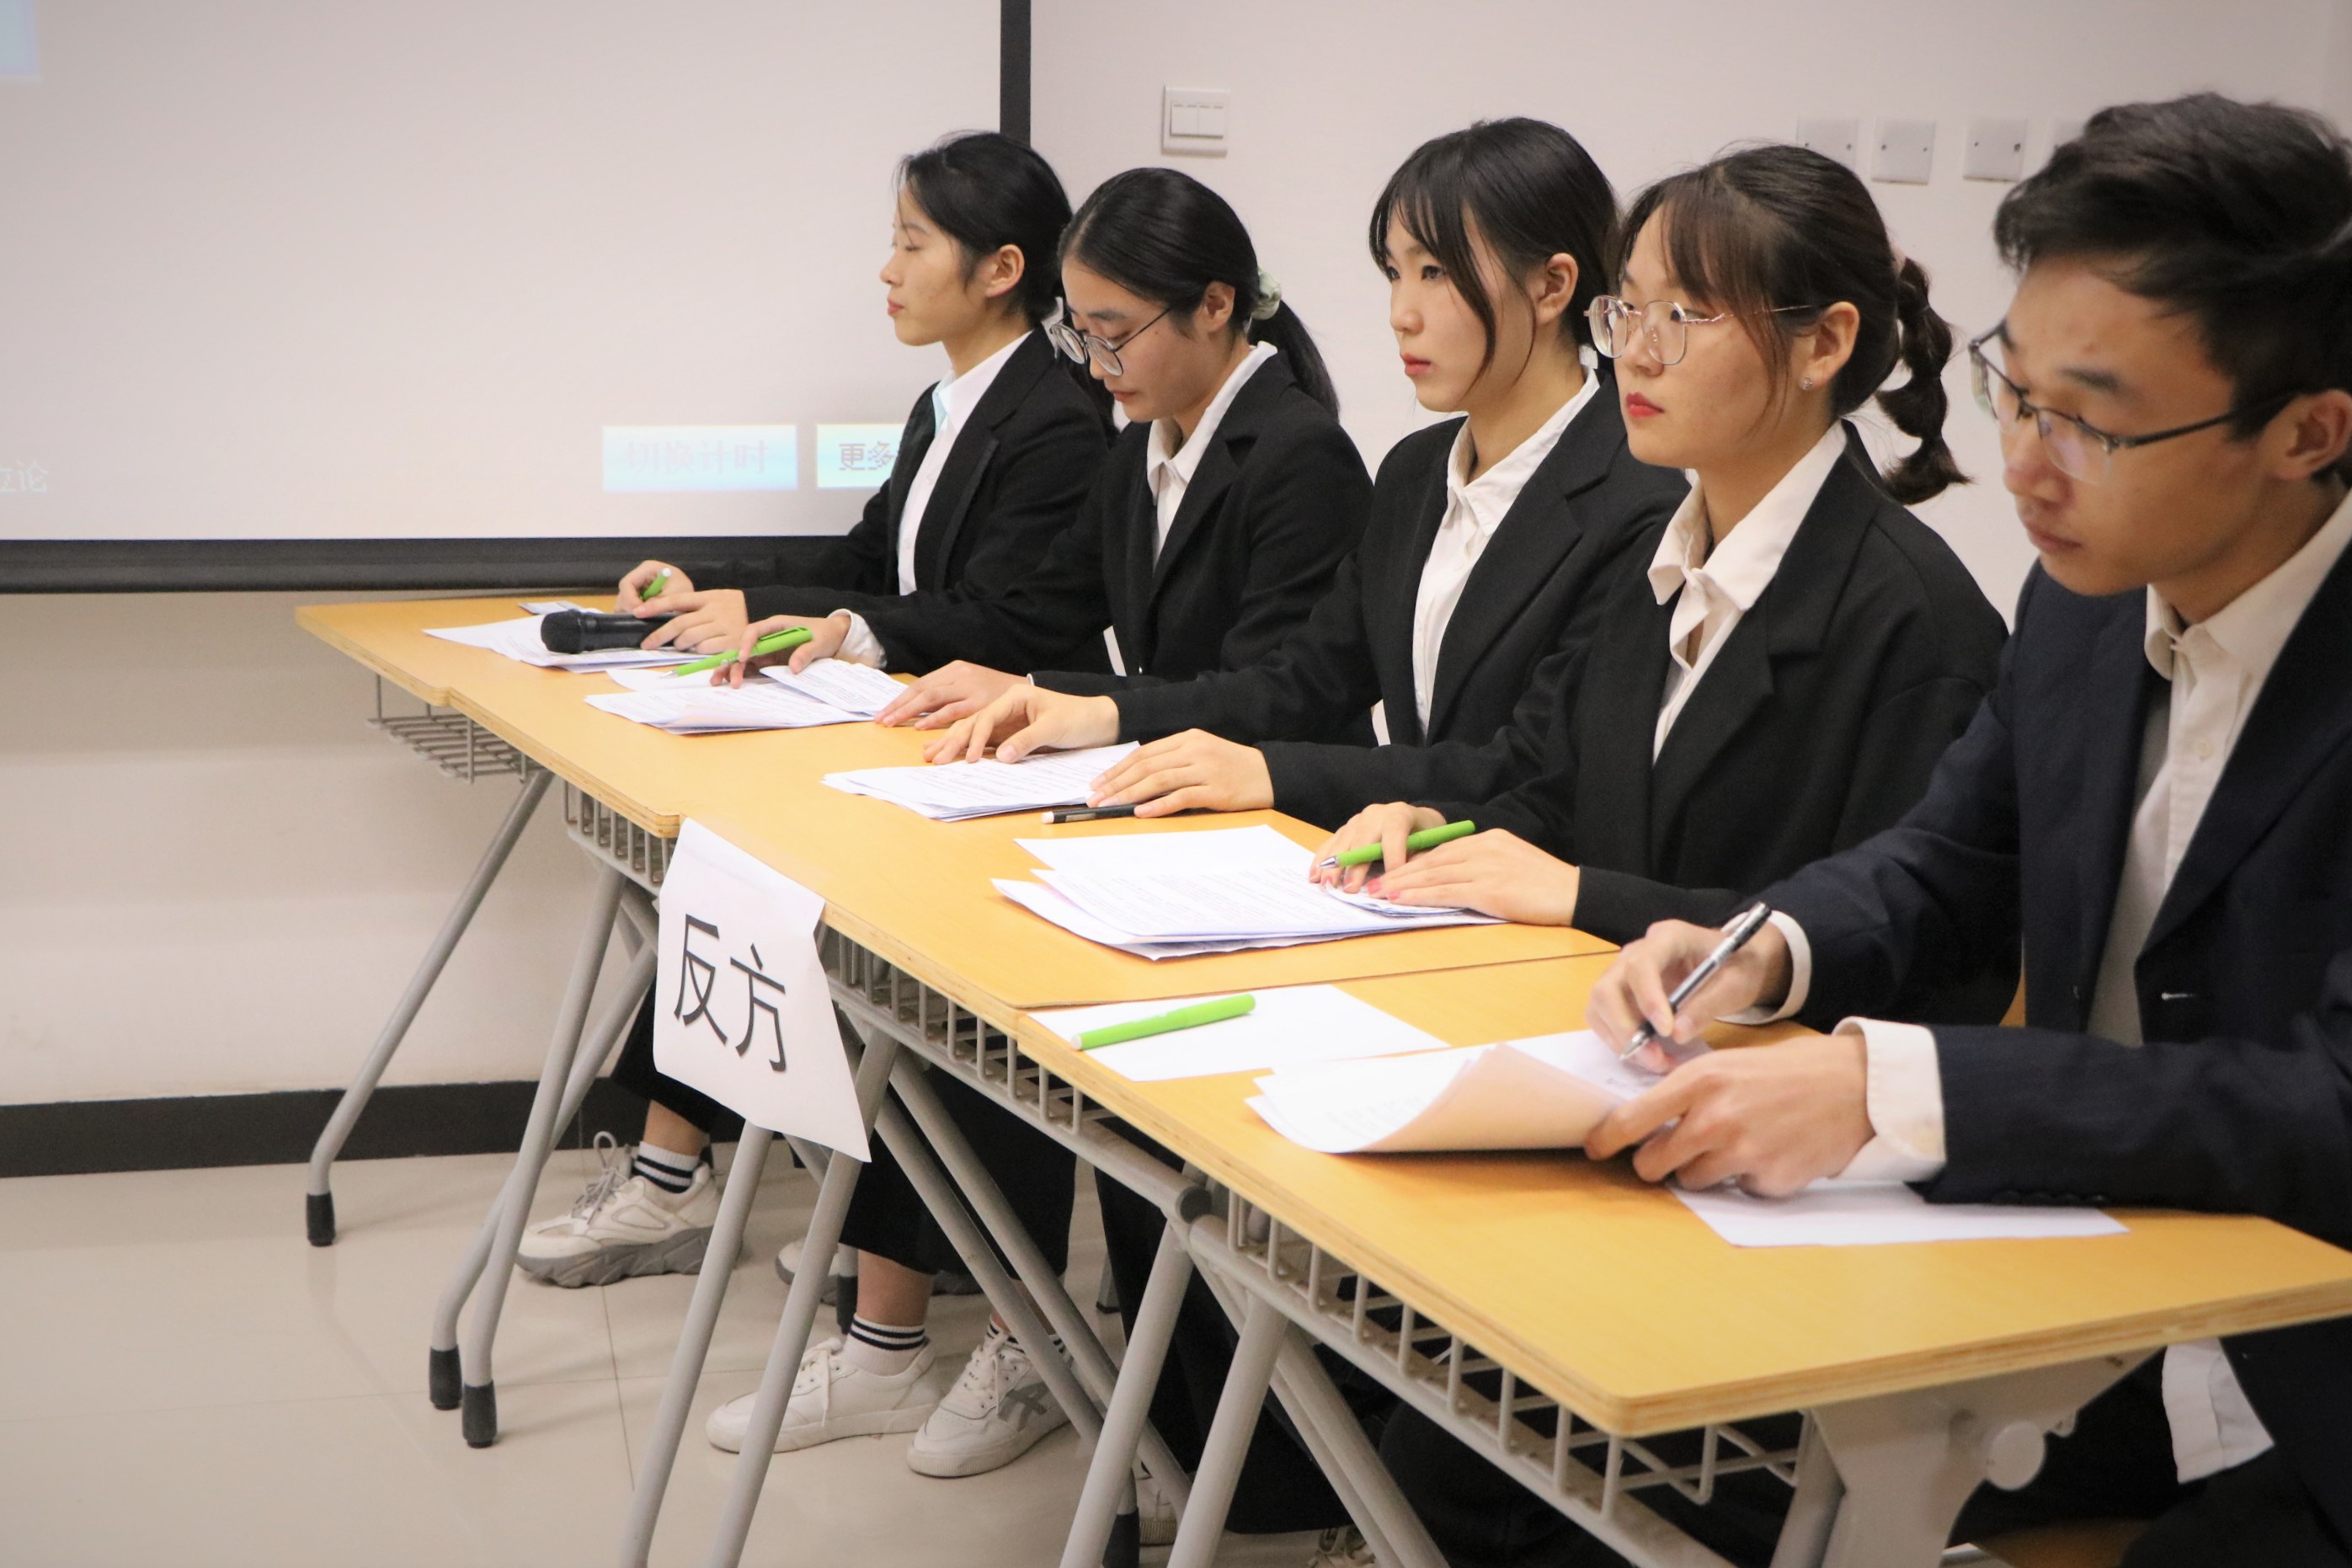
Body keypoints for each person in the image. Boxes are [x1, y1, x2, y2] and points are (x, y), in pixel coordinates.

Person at [1508, 94, 2352, 1568]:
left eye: (2089, 421)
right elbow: (1946, 858)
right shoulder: (2080, 610)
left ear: (2306, 432)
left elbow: (2327, 1106)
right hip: (2091, 1288)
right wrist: (1755, 948)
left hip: (2300, 1368)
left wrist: (1890, 1084)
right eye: (2013, 392)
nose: (2023, 463)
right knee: (1557, 1433)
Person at [703, 166, 1375, 1485]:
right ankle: (1008, 1333)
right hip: (1160, 816)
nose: (1095, 362)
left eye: (1115, 331)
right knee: (945, 951)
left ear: (1216, 307)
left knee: (1035, 1031)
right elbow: (1048, 613)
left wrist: (1084, 701)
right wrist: (1004, 676)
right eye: (1083, 332)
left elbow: (1278, 690)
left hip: (1263, 844)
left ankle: (1054, 1346)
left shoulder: (1298, 453)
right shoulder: (1142, 445)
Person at [515, 130, 1107, 1288]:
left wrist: (826, 622)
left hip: (986, 766)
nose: (888, 269)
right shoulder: (947, 404)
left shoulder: (1056, 419)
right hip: (908, 738)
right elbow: (863, 558)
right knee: (727, 871)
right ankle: (673, 1177)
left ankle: (759, 1208)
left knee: (759, 880)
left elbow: (998, 619)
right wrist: (720, 589)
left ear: (1000, 268)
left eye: (913, 243)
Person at [1307, 143, 2007, 974]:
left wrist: (1584, 897)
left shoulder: (1913, 618)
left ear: (1822, 344)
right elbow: (1565, 797)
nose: (1636, 351)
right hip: (1595, 1014)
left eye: (1682, 315)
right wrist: (1438, 825)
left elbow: (1899, 941)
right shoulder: (1665, 562)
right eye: (1628, 310)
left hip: (1749, 1049)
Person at [924, 119, 1686, 832]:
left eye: (1434, 273)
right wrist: (1103, 712)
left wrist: (1267, 772)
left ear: (1551, 287)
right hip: (1402, 875)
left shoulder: (1637, 500)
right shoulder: (1417, 471)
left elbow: (1532, 765)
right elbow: (1305, 678)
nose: (1401, 312)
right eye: (1394, 273)